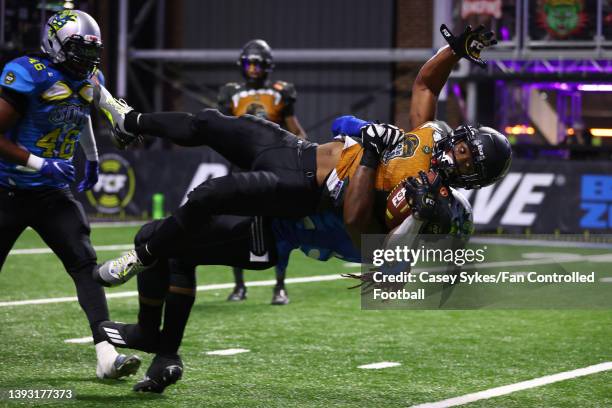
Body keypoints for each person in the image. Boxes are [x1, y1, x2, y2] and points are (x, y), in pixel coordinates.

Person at [93, 24, 509, 392]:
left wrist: (369, 153)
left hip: (285, 215)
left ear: (471, 179)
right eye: (461, 146)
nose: (457, 154)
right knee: (208, 123)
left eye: (469, 160)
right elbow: (424, 87)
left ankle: (149, 292)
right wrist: (453, 52)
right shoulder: (433, 138)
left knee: (180, 223)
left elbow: (356, 221)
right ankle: (130, 122)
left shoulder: (418, 208)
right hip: (298, 154)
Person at [0, 10, 140, 379]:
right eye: (79, 50)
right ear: (56, 44)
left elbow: (77, 115)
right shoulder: (27, 73)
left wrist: (92, 158)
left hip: (51, 193)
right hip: (7, 189)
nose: (88, 59)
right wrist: (38, 163)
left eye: (92, 51)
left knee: (84, 265)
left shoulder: (91, 78)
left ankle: (106, 354)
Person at [218, 39, 307, 305]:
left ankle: (280, 286)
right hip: (242, 166)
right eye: (249, 63)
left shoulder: (281, 93)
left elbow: (296, 130)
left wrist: (299, 151)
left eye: (257, 63)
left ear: (267, 66)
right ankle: (239, 286)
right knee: (237, 227)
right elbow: (222, 131)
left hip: (272, 167)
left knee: (277, 227)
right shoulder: (230, 93)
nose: (253, 68)